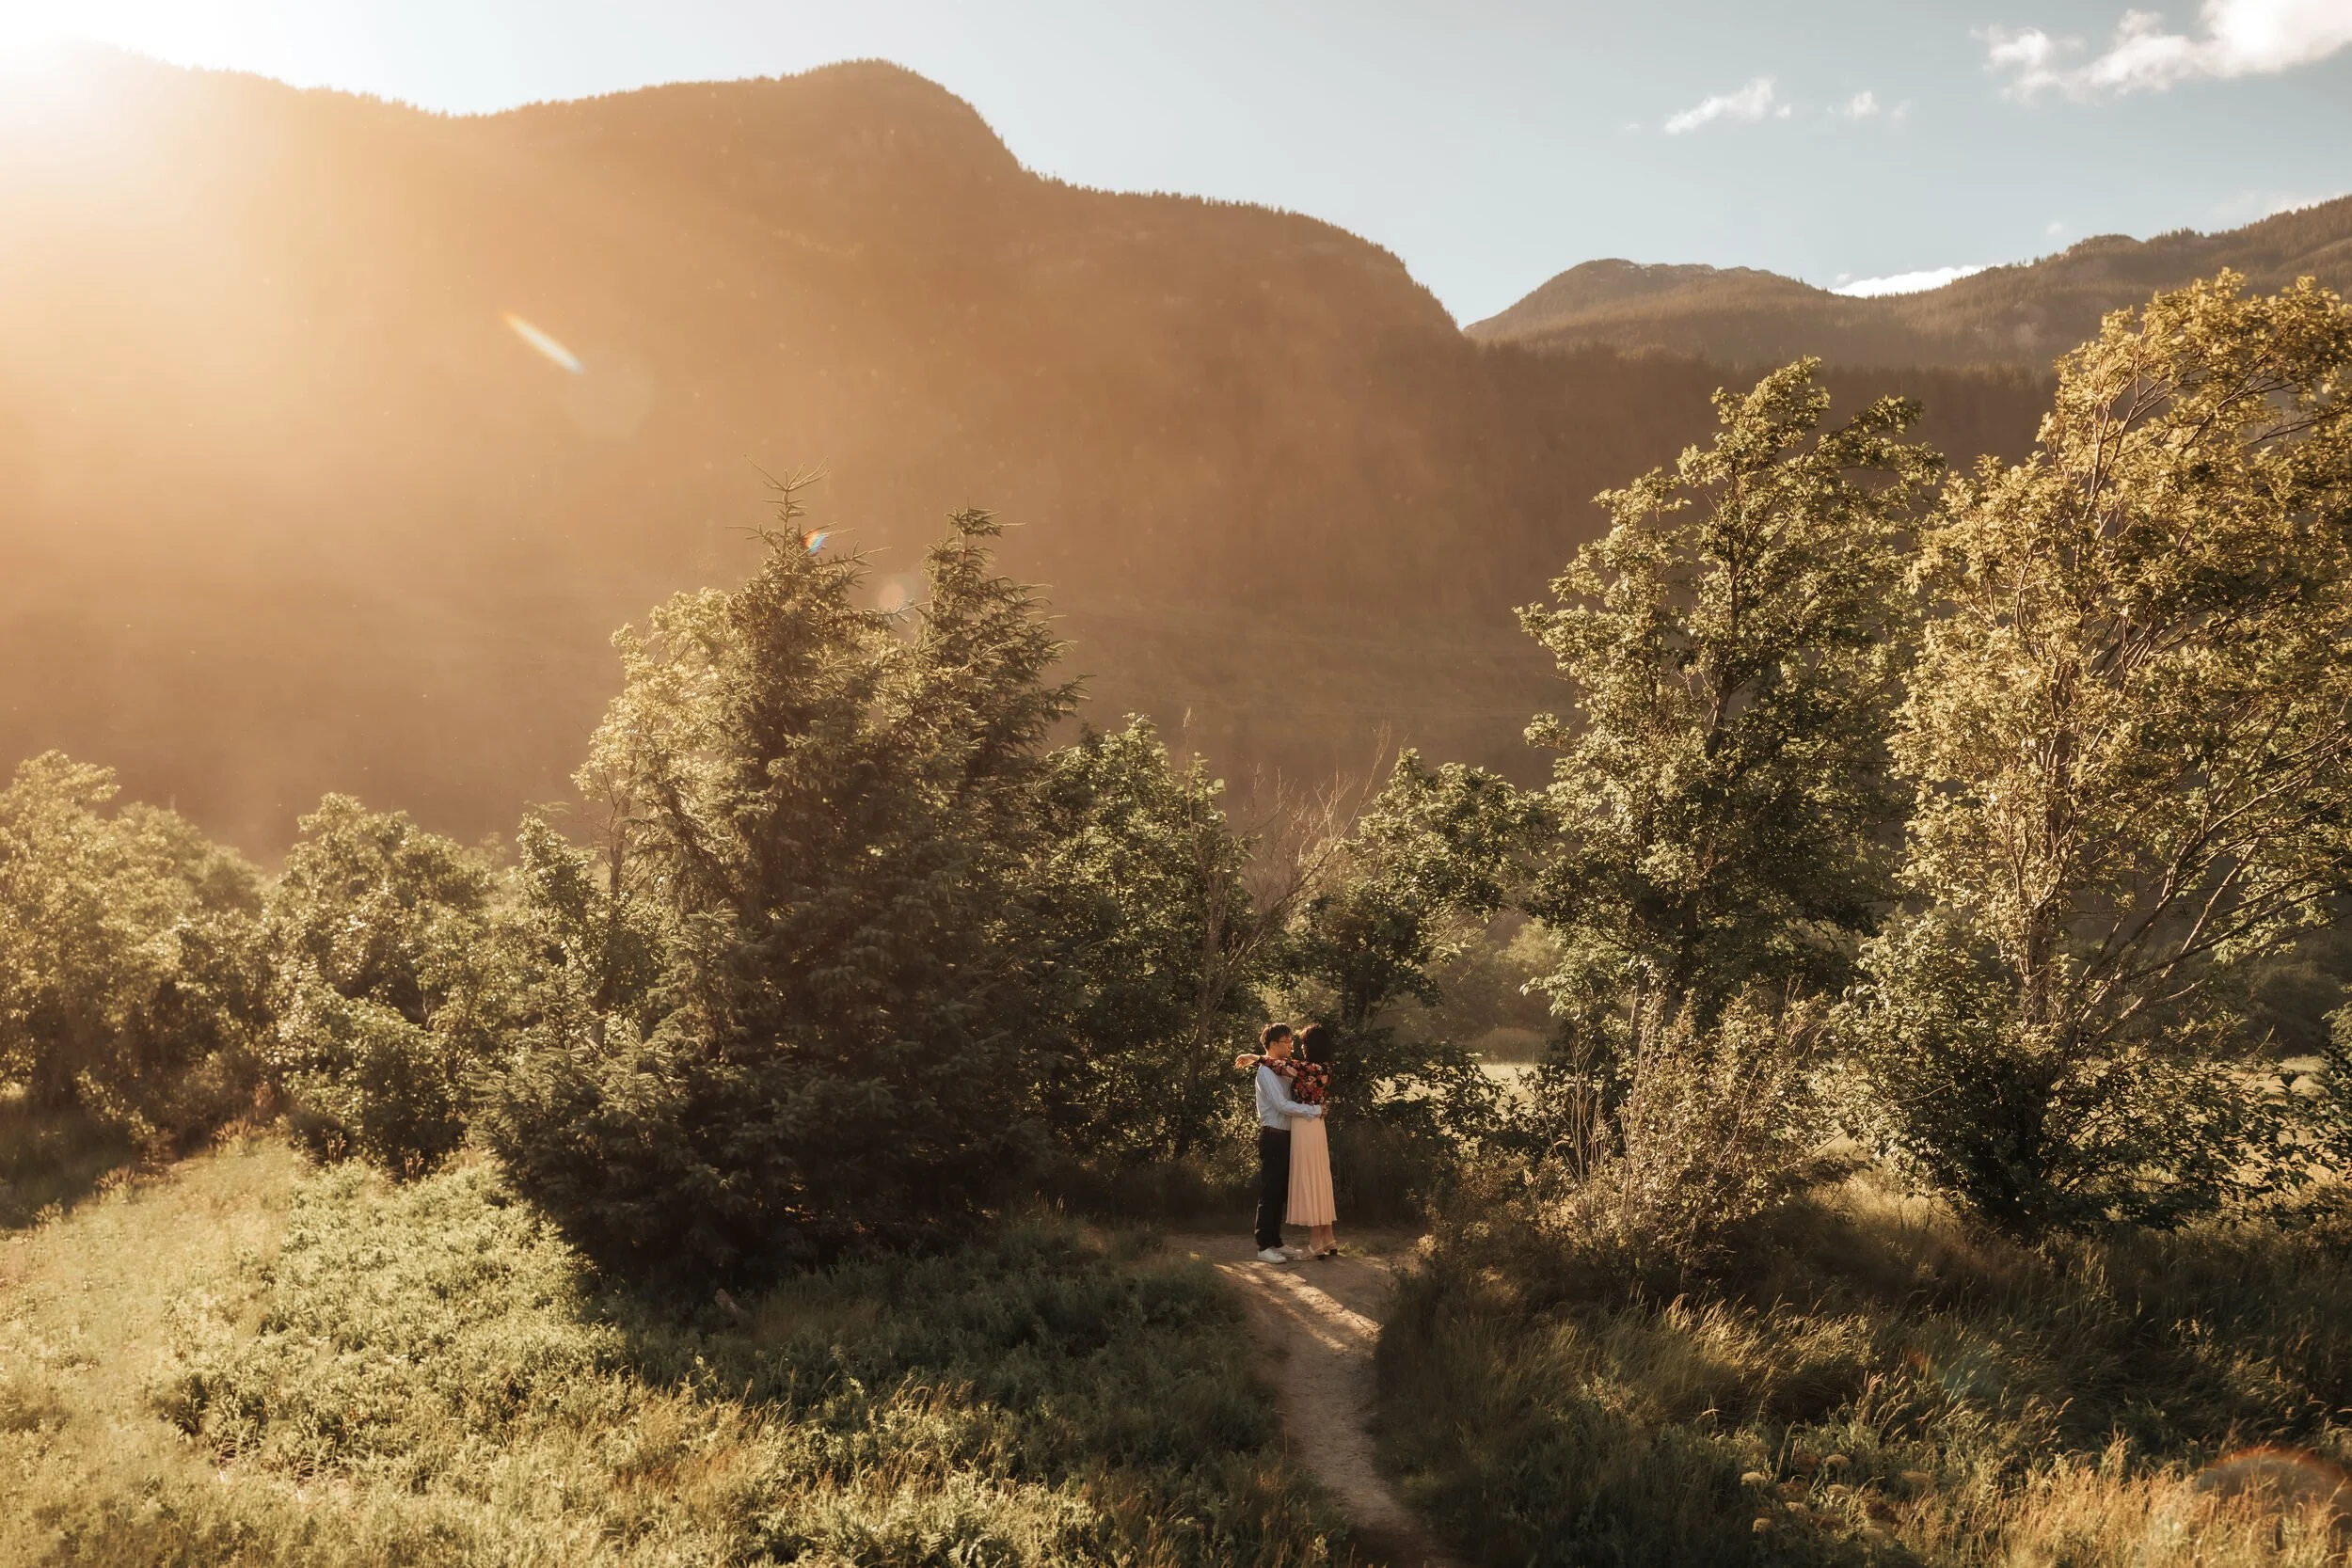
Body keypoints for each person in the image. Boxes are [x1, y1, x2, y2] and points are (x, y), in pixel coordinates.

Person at [1241, 1022, 1323, 1262]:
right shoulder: (1265, 1072)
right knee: (1270, 1191)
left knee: (1281, 1192)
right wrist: (1315, 1110)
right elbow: (1281, 1105)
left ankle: (1276, 1241)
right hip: (1273, 1135)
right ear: (1274, 1044)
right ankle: (1263, 1246)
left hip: (1289, 1136)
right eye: (1288, 1040)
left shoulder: (1282, 1069)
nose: (1292, 1045)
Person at [1283, 1023, 1339, 1258]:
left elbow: (1276, 1064)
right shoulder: (1325, 1067)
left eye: (1304, 1043)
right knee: (1320, 1177)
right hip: (1317, 1124)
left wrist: (1253, 1056)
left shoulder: (1308, 1068)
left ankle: (1316, 1240)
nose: (1301, 1048)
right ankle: (1328, 1236)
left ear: (1312, 1046)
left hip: (1305, 1124)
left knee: (1310, 1178)